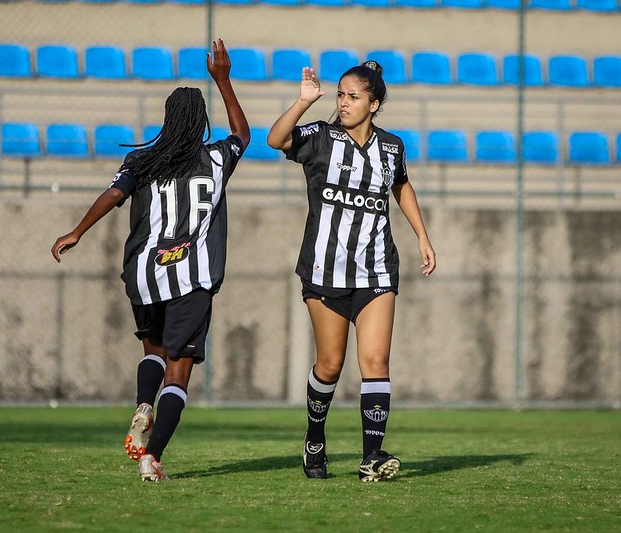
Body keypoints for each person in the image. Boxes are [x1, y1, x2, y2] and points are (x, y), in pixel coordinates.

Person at [51, 39, 249, 482]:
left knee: (152, 351)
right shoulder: (216, 159)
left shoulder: (141, 159)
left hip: (144, 275)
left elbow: (113, 194)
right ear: (200, 124)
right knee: (178, 373)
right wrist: (223, 79)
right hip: (191, 278)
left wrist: (77, 231)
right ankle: (152, 457)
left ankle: (143, 404)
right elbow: (242, 135)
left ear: (167, 120)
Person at [267, 62, 436, 482]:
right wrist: (304, 102)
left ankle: (372, 457)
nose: (343, 103)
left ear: (374, 104)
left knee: (376, 361)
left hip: (377, 270)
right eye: (340, 95)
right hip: (325, 271)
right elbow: (276, 139)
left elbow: (400, 185)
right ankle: (314, 439)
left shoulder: (392, 147)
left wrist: (422, 235)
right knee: (329, 364)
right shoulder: (322, 137)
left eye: (353, 96)